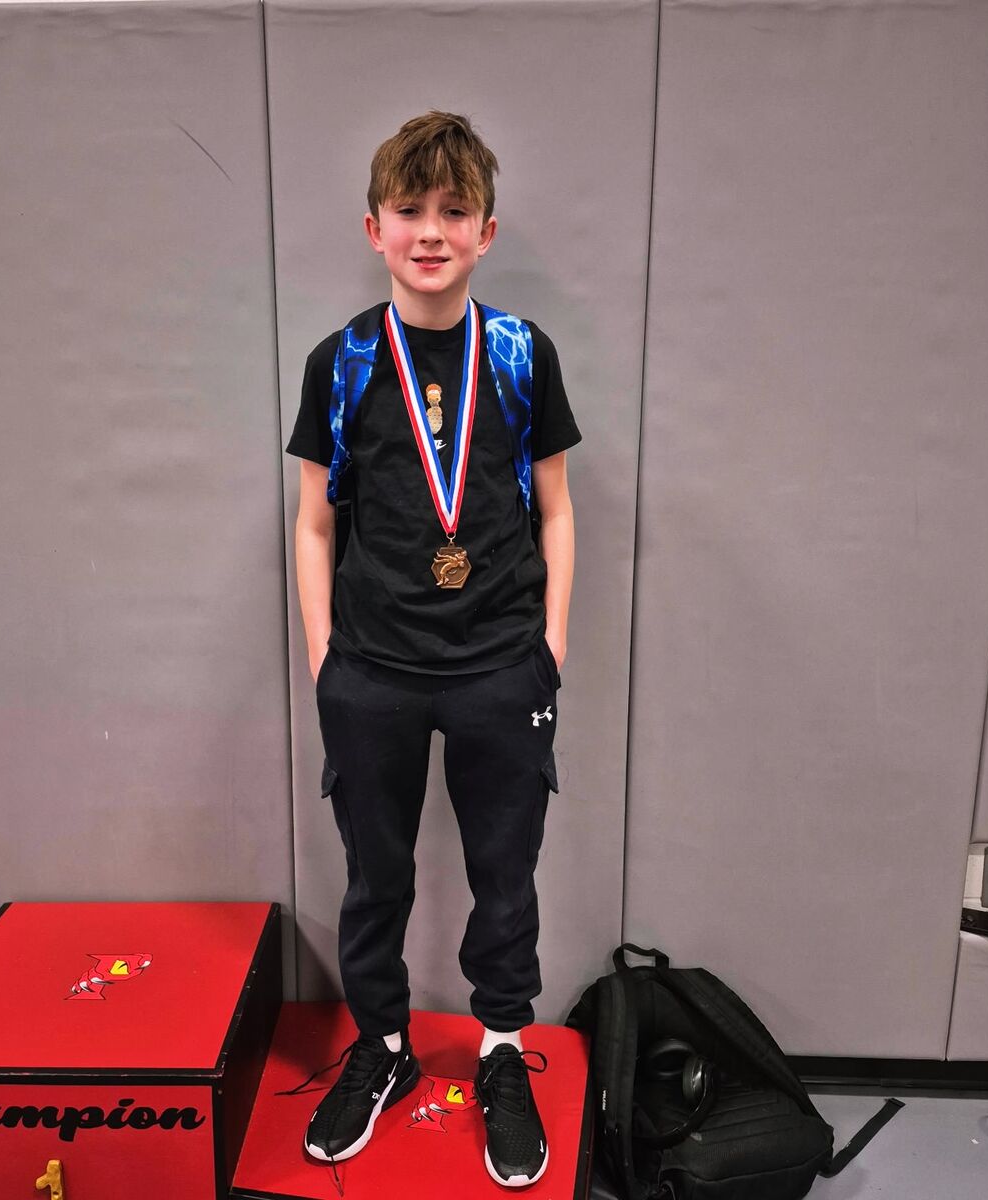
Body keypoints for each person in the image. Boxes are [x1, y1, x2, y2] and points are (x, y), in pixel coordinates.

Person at [286, 110, 580, 1188]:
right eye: (409, 211)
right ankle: (385, 1047)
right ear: (373, 227)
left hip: (503, 662)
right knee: (377, 878)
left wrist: (547, 649)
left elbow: (555, 509)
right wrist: (327, 659)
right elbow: (316, 522)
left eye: (453, 211)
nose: (430, 231)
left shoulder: (519, 353)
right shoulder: (344, 360)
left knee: (506, 878)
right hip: (373, 669)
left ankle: (502, 1052)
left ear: (487, 231)